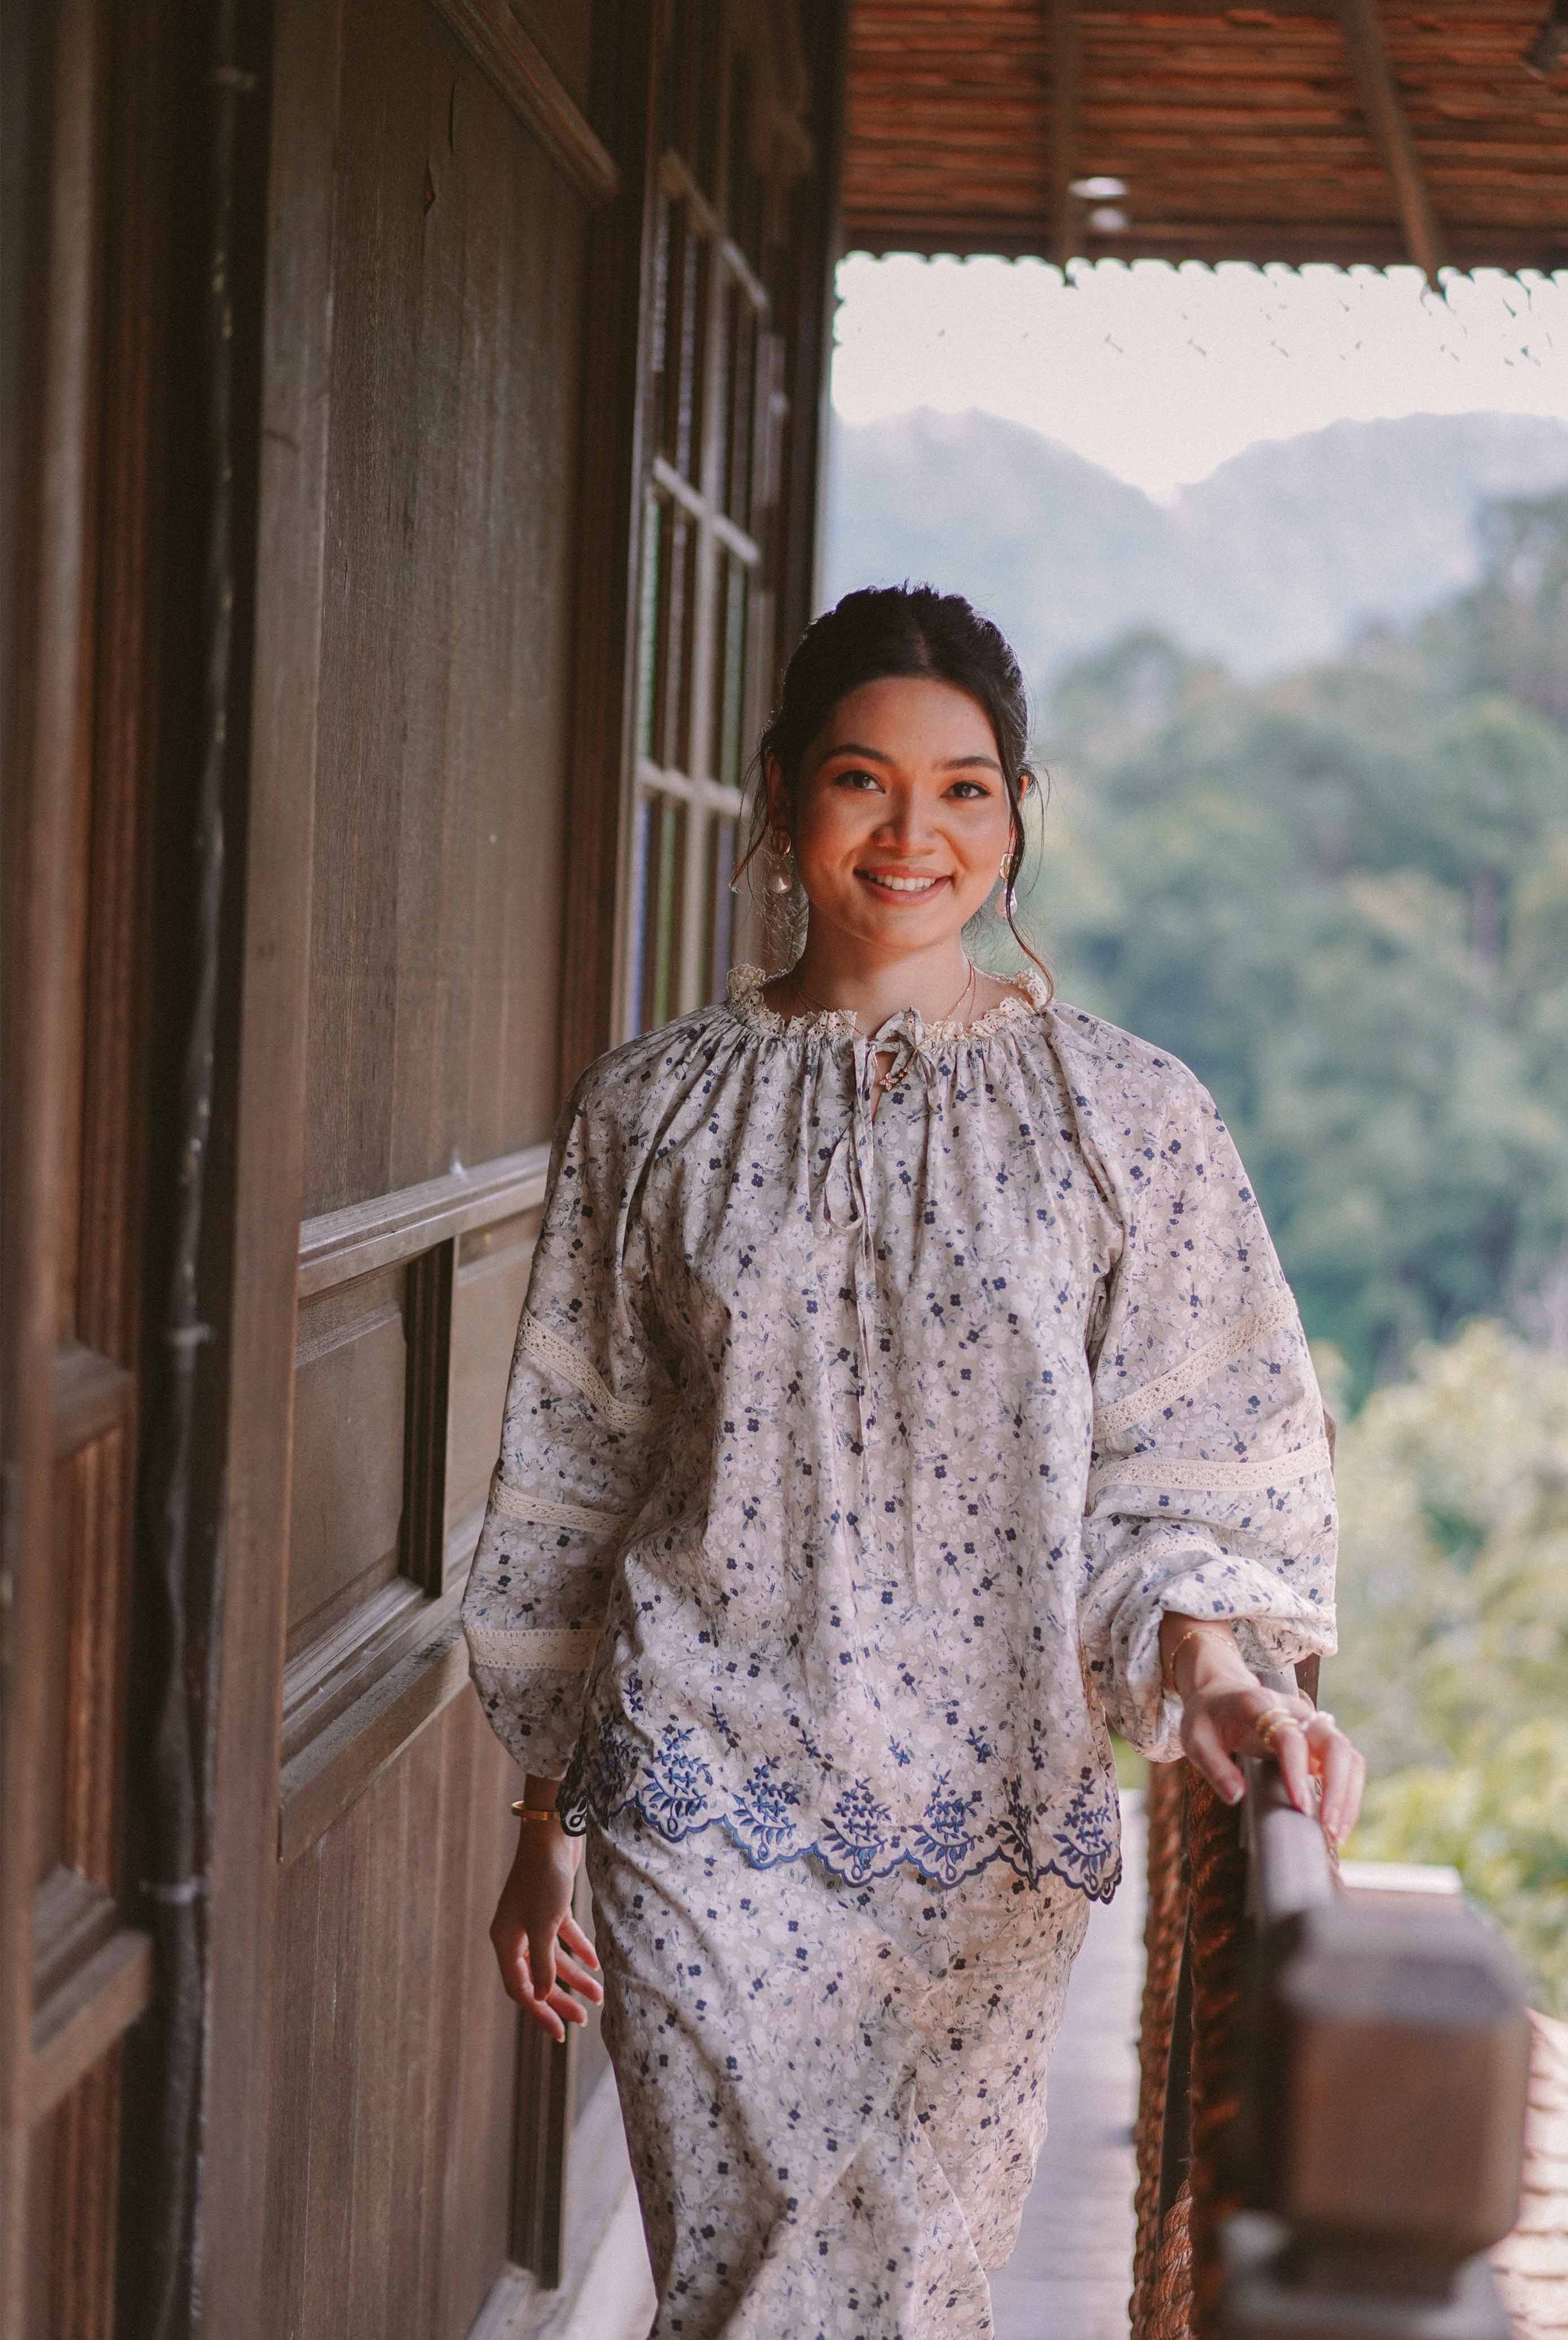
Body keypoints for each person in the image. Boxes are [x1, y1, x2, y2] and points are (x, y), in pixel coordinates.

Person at [461, 585, 1366, 2339]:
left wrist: (1221, 1677)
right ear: (780, 797)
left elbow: (1176, 1487)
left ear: (1018, 811)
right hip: (699, 1807)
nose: (912, 831)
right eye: (863, 779)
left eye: (963, 787)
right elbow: (583, 1476)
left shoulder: (1131, 1122)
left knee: (903, 2301)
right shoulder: (650, 1111)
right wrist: (544, 1828)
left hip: (982, 1850)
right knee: (744, 2295)